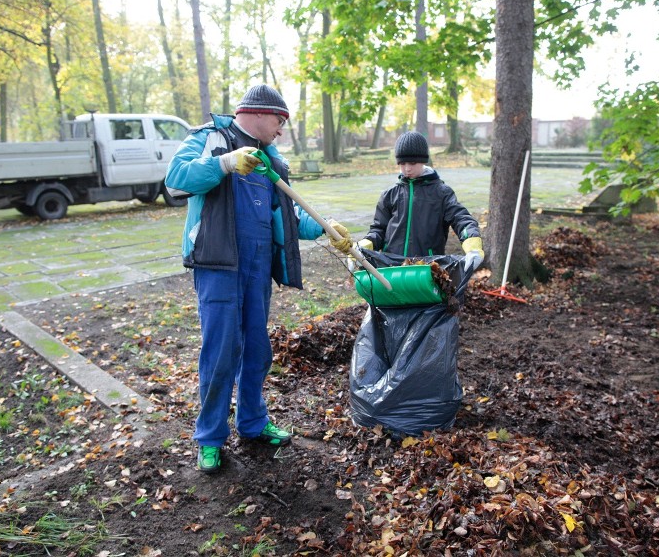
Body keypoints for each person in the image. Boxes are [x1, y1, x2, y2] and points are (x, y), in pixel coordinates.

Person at [164, 84, 351, 474]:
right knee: (220, 353)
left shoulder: (272, 160)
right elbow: (176, 180)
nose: (282, 130)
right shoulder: (211, 138)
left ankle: (251, 422)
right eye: (280, 121)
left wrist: (324, 227)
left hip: (256, 267)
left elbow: (285, 214)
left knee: (257, 351)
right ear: (262, 114)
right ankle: (210, 438)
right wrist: (225, 164)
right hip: (218, 264)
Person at [356, 131, 483, 268]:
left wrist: (473, 246)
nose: (407, 169)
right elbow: (378, 230)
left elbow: (462, 219)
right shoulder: (390, 195)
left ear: (423, 161)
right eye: (402, 163)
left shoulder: (442, 193)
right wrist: (365, 244)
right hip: (392, 267)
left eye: (412, 163)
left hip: (427, 267)